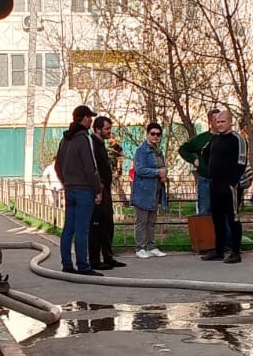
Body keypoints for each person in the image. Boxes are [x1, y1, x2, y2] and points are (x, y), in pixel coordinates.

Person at [55, 104, 104, 276]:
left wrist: (65, 182)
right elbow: (90, 167)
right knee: (82, 229)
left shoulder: (65, 139)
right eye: (89, 117)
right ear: (84, 118)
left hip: (70, 189)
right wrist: (98, 190)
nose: (91, 120)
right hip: (84, 190)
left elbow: (57, 165)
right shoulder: (84, 139)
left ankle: (67, 264)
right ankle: (83, 266)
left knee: (68, 228)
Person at [201, 108, 243, 264]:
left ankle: (235, 252)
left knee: (233, 218)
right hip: (214, 183)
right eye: (217, 122)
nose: (219, 124)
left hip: (230, 185)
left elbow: (242, 161)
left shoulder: (237, 139)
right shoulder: (214, 139)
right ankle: (218, 250)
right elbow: (205, 153)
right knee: (216, 217)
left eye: (222, 121)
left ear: (230, 122)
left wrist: (233, 180)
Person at [88, 114, 126, 270]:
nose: (109, 132)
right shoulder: (92, 144)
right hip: (99, 189)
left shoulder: (102, 144)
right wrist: (99, 186)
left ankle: (108, 255)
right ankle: (95, 259)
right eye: (107, 129)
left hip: (106, 189)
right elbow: (93, 167)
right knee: (97, 225)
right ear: (98, 129)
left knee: (108, 224)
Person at [130, 122, 170, 259]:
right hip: (143, 191)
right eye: (152, 133)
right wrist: (158, 172)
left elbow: (163, 167)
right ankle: (140, 247)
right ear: (147, 134)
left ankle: (151, 246)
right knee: (142, 220)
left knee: (152, 220)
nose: (155, 136)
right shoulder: (142, 150)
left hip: (156, 190)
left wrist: (164, 174)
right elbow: (139, 169)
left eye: (158, 134)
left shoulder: (158, 151)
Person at [177, 106, 221, 217]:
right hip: (205, 180)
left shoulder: (227, 138)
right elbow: (183, 149)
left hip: (221, 182)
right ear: (211, 122)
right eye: (216, 120)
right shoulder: (202, 139)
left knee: (221, 213)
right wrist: (194, 160)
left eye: (222, 120)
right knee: (204, 213)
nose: (219, 123)